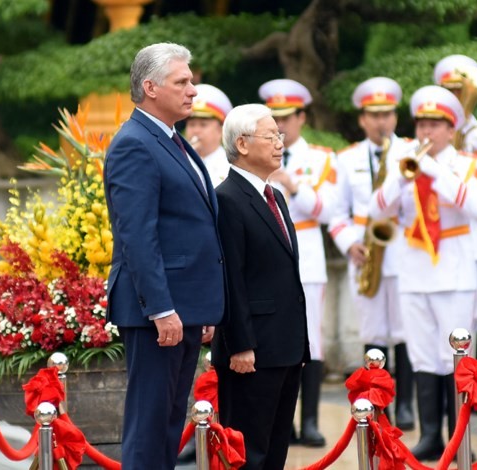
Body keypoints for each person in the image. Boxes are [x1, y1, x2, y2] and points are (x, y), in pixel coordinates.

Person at [103, 42, 225, 470]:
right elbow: (137, 235)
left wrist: (199, 305)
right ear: (151, 87)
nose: (194, 89)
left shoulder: (172, 139)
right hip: (157, 310)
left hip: (183, 306)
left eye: (192, 80)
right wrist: (161, 307)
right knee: (150, 422)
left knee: (170, 422)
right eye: (183, 81)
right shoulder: (134, 143)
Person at [369, 85, 477, 460]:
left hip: (453, 271)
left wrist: (433, 171)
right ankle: (431, 434)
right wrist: (401, 178)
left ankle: (458, 435)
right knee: (422, 357)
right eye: (422, 123)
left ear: (451, 130)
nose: (426, 131)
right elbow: (377, 210)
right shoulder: (403, 163)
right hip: (415, 270)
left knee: (455, 357)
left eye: (435, 124)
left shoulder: (466, 163)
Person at [212, 103, 310, 469]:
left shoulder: (275, 196)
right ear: (242, 143)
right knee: (248, 453)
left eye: (279, 136)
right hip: (250, 352)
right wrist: (240, 344)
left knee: (275, 451)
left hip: (284, 344)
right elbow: (230, 278)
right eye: (270, 136)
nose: (279, 143)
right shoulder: (227, 199)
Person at [328, 76, 415, 431]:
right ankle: (381, 404)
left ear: (395, 117)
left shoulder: (411, 153)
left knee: (407, 332)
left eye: (387, 114)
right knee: (374, 332)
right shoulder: (346, 159)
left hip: (403, 250)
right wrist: (350, 243)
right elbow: (336, 213)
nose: (381, 121)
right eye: (373, 115)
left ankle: (407, 404)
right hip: (366, 254)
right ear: (362, 119)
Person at [258, 78, 337, 447]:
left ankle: (310, 422)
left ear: (302, 117)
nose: (282, 126)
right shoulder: (254, 153)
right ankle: (281, 422)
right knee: (274, 340)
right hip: (268, 258)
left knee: (312, 342)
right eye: (276, 118)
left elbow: (326, 209)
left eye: (288, 117)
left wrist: (291, 184)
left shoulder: (320, 158)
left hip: (307, 254)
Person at [434, 54, 477, 372]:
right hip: (450, 236)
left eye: (460, 91)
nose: (455, 99)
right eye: (448, 91)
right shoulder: (432, 139)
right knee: (458, 319)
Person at [184, 83, 233, 186]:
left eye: (203, 125)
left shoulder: (230, 165)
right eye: (192, 125)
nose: (196, 130)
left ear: (220, 130)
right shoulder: (182, 160)